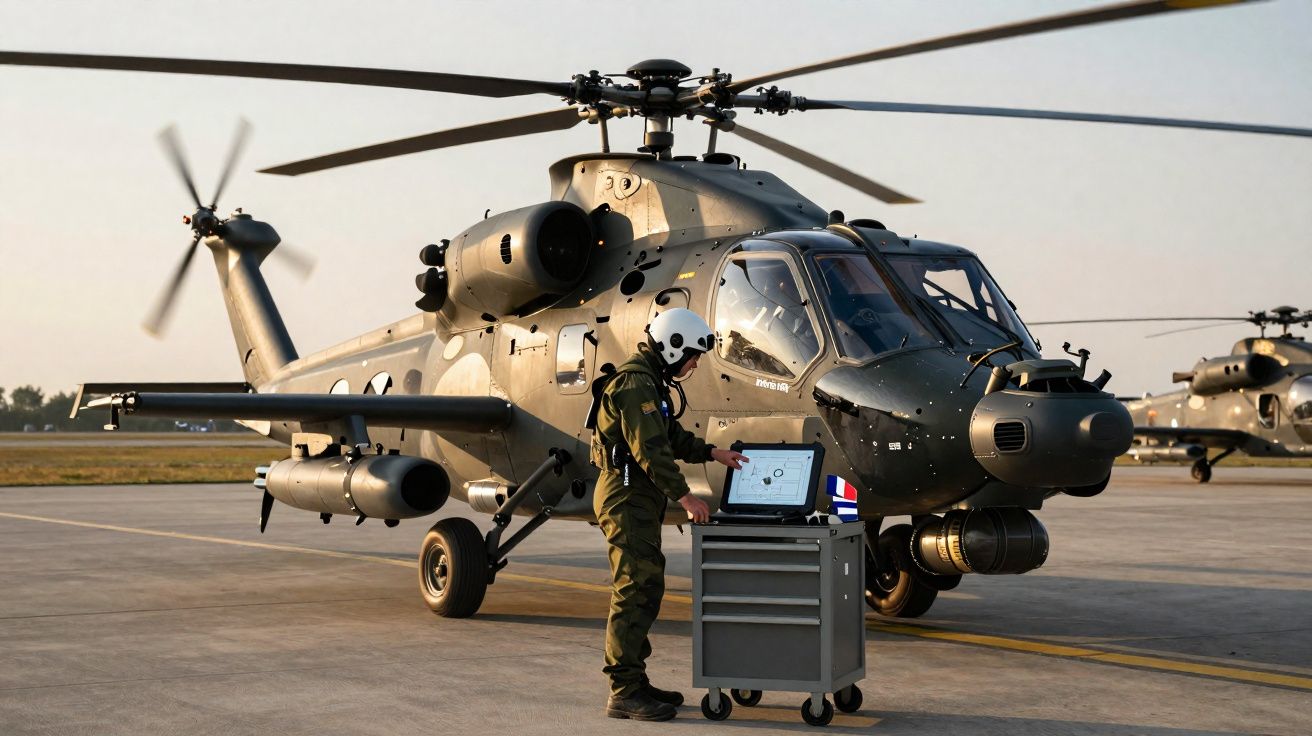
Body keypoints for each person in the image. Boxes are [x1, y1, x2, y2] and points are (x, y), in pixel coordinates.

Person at [589, 307, 748, 721]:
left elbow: (669, 435)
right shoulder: (635, 383)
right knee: (633, 588)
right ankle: (624, 691)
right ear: (673, 346)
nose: (694, 365)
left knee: (645, 585)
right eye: (693, 356)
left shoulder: (650, 381)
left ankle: (634, 680)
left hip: (637, 496)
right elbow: (651, 450)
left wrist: (712, 452)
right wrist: (686, 497)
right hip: (625, 496)